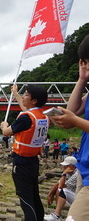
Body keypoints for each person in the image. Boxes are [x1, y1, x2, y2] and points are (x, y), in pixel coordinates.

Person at [49, 34, 89, 220]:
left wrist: (74, 121)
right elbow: (73, 109)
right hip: (85, 168)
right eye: (85, 62)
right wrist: (81, 79)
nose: (87, 66)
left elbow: (74, 117)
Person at [0, 84, 49, 221]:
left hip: (21, 162)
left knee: (26, 201)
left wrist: (4, 126)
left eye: (26, 94)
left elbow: (6, 132)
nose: (23, 97)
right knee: (34, 197)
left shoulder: (26, 118)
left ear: (34, 100)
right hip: (33, 161)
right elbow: (25, 108)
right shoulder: (42, 116)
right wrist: (15, 93)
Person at [44, 156, 78, 221]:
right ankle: (57, 214)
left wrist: (64, 174)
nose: (64, 167)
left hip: (78, 197)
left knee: (62, 191)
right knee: (59, 190)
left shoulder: (76, 174)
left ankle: (57, 215)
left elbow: (61, 186)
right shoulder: (69, 172)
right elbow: (58, 184)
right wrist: (49, 194)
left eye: (65, 166)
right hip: (73, 195)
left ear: (72, 166)